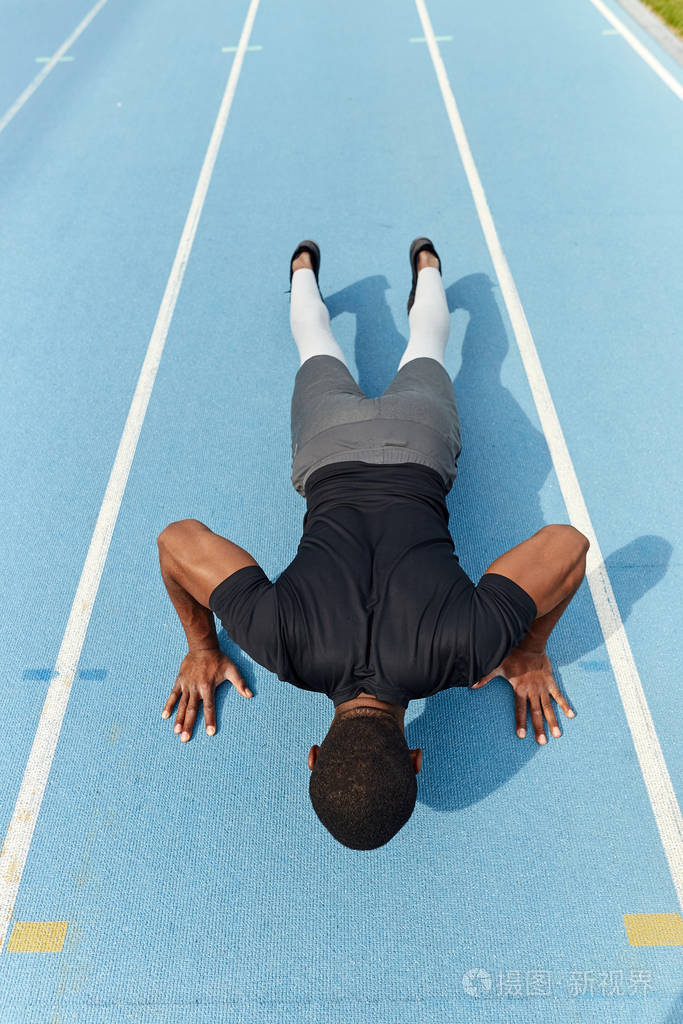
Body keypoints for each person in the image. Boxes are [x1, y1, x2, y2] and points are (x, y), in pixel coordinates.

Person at [156, 237, 589, 851]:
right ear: (313, 754)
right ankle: (303, 268)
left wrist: (527, 647)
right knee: (315, 347)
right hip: (329, 446)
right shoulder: (279, 640)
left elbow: (565, 544)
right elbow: (178, 541)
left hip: (420, 443)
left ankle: (428, 268)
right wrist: (203, 643)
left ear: (414, 758)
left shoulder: (468, 646)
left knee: (429, 348)